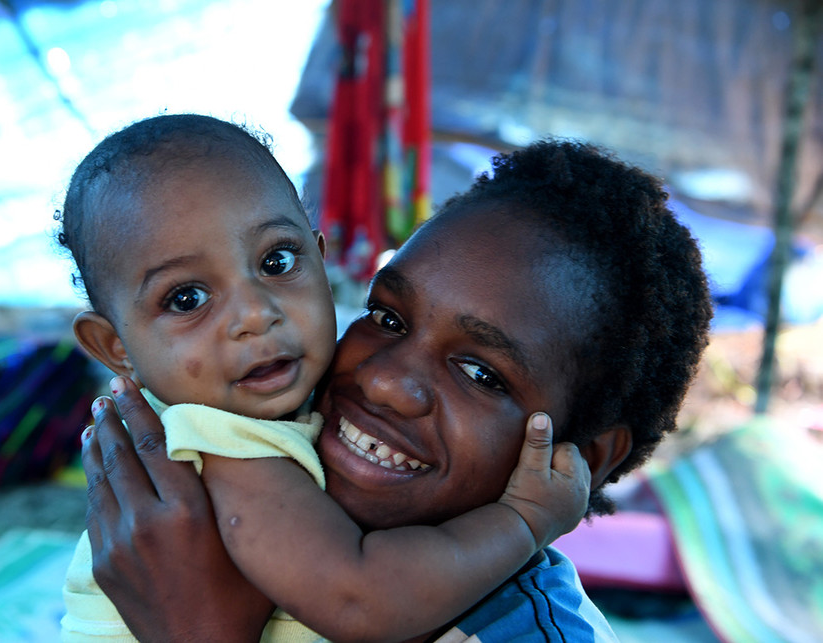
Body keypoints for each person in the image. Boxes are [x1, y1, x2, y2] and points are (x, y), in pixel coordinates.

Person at [77, 136, 714, 642]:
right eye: (387, 318)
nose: (383, 382)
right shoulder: (226, 432)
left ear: (589, 459)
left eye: (481, 374)